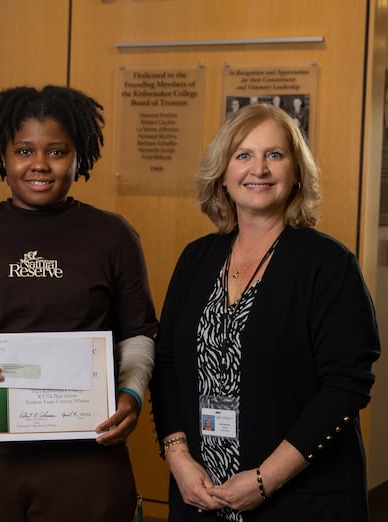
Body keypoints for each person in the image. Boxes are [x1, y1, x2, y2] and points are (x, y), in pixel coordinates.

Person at [0, 85, 158, 522]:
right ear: (3, 156)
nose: (40, 164)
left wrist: (131, 393)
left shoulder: (113, 236)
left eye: (57, 151)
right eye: (24, 150)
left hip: (85, 454)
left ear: (79, 157)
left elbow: (137, 333)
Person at [150, 103, 380, 521]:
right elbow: (166, 363)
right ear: (222, 174)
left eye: (274, 155)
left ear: (296, 174)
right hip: (201, 495)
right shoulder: (196, 259)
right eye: (244, 155)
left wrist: (264, 480)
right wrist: (177, 457)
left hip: (299, 500)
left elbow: (346, 386)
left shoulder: (328, 265)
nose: (259, 169)